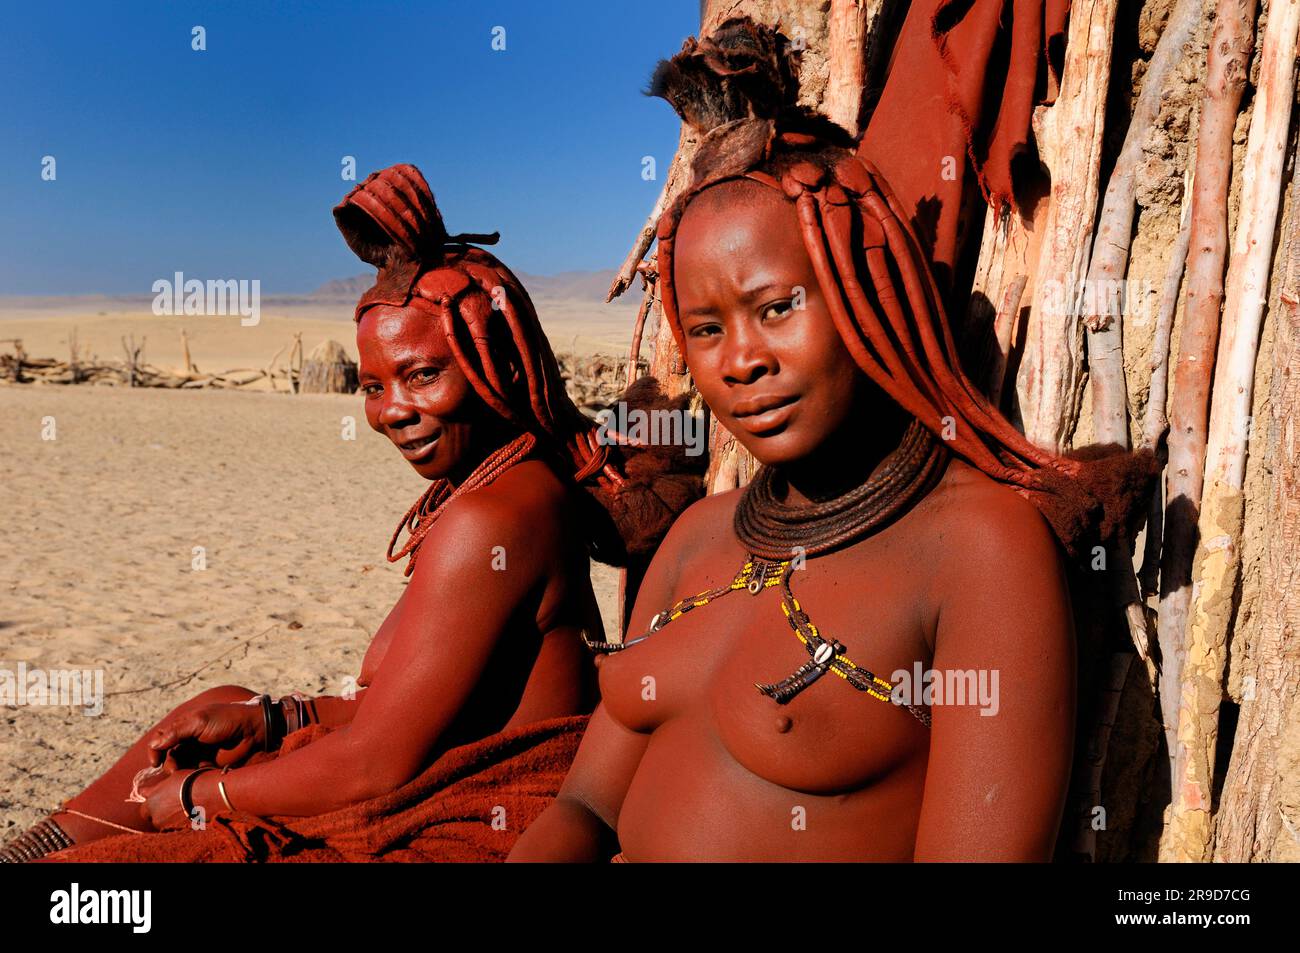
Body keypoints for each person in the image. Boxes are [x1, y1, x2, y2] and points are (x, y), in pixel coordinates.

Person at [509, 19, 1157, 862]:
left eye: (778, 307)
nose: (742, 360)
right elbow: (586, 810)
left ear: (863, 296)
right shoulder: (697, 539)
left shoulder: (976, 552)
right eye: (706, 328)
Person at [1, 164, 700, 863]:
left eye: (423, 374)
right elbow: (416, 713)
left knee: (112, 873)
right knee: (223, 702)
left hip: (465, 824)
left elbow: (373, 767)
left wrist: (196, 799)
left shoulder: (492, 520)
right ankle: (34, 849)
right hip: (427, 775)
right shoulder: (493, 489)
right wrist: (280, 716)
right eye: (373, 385)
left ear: (499, 368)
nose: (393, 410)